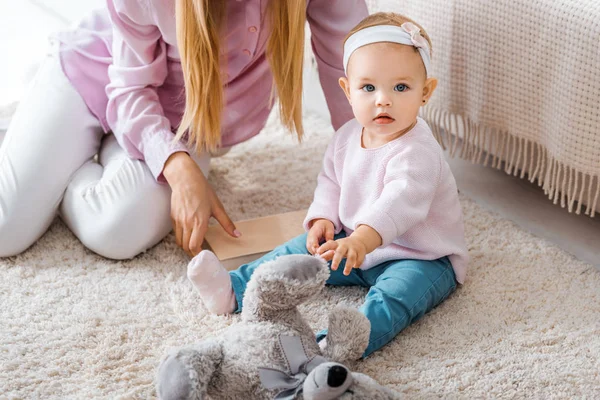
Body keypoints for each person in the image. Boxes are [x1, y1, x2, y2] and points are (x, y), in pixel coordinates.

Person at [186, 12, 469, 358]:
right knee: (298, 252)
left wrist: (362, 239)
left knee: (397, 296)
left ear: (425, 93)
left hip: (420, 255)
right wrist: (323, 219)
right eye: (368, 87)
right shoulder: (347, 136)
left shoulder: (418, 151)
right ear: (347, 91)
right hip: (353, 243)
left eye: (400, 87)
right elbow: (331, 182)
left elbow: (400, 202)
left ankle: (340, 344)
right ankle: (234, 288)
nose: (383, 99)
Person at [0, 0, 368, 259]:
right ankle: (36, 121)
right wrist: (177, 166)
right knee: (6, 230)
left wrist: (363, 174)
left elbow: (348, 64)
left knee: (115, 230)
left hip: (187, 118)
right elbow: (131, 87)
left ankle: (71, 154)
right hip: (97, 73)